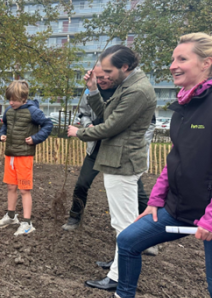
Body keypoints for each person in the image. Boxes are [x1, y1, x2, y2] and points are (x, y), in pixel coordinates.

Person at [114, 32, 212, 298]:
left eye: (182, 58)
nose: (173, 65)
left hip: (211, 215)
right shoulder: (184, 105)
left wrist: (210, 218)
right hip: (178, 208)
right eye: (172, 59)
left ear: (206, 63)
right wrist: (156, 200)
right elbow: (175, 158)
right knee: (128, 241)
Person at [67, 45, 156, 291]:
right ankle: (119, 263)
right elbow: (106, 114)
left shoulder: (137, 91)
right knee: (122, 221)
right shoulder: (129, 86)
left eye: (108, 70)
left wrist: (80, 132)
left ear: (124, 67)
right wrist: (93, 90)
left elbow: (110, 126)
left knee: (123, 223)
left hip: (122, 162)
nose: (104, 74)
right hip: (119, 159)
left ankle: (118, 277)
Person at [0, 80, 53, 235]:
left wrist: (35, 138)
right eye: (9, 99)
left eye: (14, 100)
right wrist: (2, 135)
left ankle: (27, 223)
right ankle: (11, 216)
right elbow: (4, 126)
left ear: (23, 98)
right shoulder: (8, 111)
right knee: (11, 187)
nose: (11, 102)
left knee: (24, 190)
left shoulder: (33, 111)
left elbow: (48, 125)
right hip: (10, 155)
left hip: (25, 156)